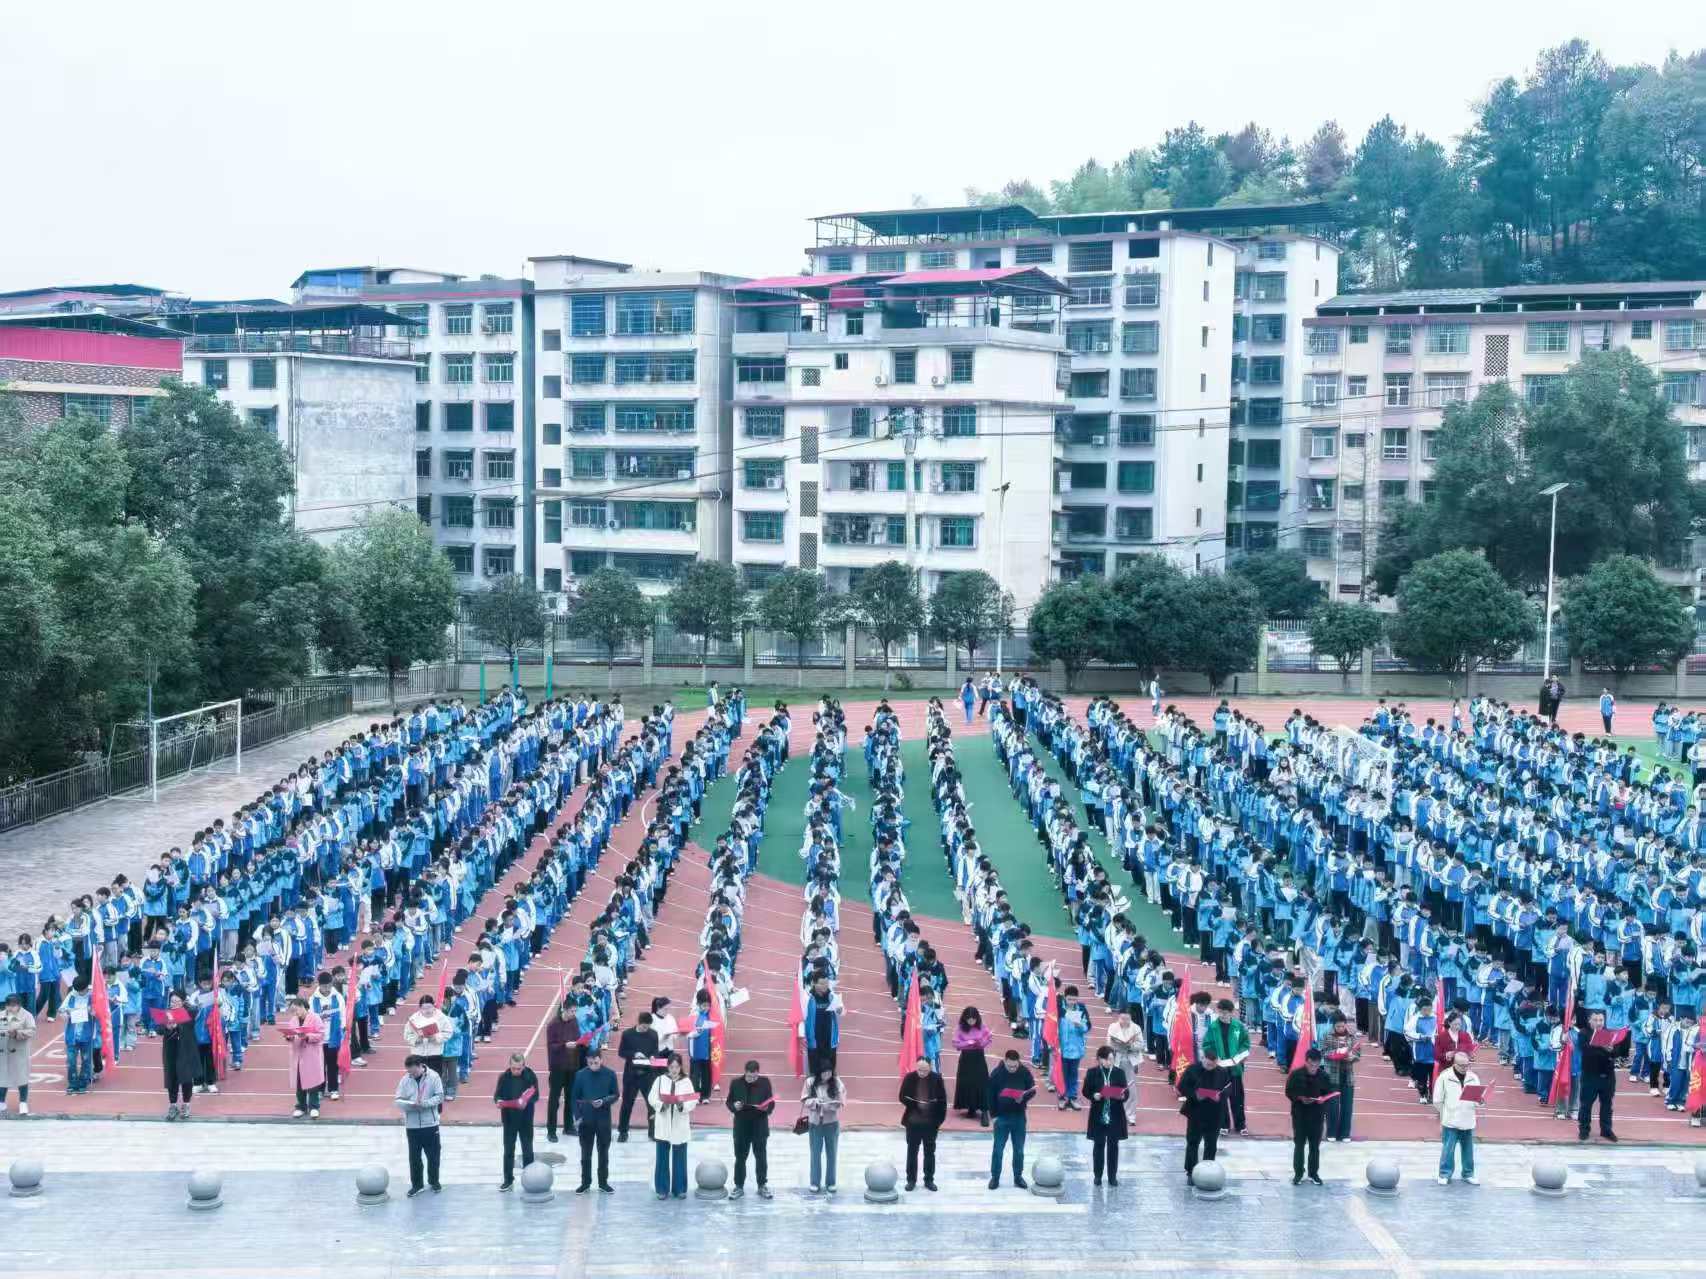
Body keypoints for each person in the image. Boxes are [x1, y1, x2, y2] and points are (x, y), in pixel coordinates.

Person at [1176, 1046, 1232, 1180]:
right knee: (1193, 1142)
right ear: (1202, 1059)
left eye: (1213, 1065)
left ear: (1216, 1062)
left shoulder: (1222, 1072)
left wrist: (1221, 1096)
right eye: (1207, 1064)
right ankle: (1190, 1172)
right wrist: (1195, 1095)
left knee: (1211, 1144)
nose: (1210, 1067)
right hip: (1196, 1112)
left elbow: (1228, 1088)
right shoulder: (1192, 1070)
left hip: (1215, 1113)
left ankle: (1208, 1172)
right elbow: (1182, 1087)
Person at [647, 1053, 697, 1200]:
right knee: (662, 1157)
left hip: (679, 1124)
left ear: (680, 1067)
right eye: (671, 1067)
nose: (674, 1070)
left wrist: (682, 1105)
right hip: (663, 1123)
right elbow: (652, 1097)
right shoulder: (660, 1080)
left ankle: (680, 1188)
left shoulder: (686, 1081)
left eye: (677, 1067)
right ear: (667, 1066)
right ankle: (662, 1189)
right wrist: (662, 1105)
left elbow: (692, 1101)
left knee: (680, 1157)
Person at [570, 1045, 618, 1194]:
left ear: (601, 1059)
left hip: (603, 1119)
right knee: (586, 1154)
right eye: (590, 1063)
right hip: (586, 1120)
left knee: (603, 1152)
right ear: (587, 1061)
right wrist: (577, 1117)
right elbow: (574, 1098)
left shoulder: (610, 1074)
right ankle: (585, 1183)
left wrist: (604, 1101)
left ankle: (603, 1182)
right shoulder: (580, 1075)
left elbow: (615, 1094)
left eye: (596, 1062)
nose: (593, 1065)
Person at [986, 1048, 1035, 1190]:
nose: (1013, 1068)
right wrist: (993, 1116)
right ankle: (995, 1177)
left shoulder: (1024, 1071)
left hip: (1019, 1116)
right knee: (998, 1150)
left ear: (1018, 1062)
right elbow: (990, 1095)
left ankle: (1018, 1176)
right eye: (1010, 1066)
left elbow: (1032, 1089)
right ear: (1005, 1061)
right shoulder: (997, 1074)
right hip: (1001, 1117)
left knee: (1019, 1150)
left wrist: (1024, 1097)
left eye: (1015, 1066)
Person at [395, 1054, 444, 1197]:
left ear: (420, 1066)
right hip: (412, 1125)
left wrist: (424, 1104)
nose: (411, 1074)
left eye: (413, 1071)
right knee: (414, 1158)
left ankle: (434, 1181)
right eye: (409, 1071)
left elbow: (440, 1096)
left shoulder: (434, 1077)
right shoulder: (405, 1079)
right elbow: (398, 1099)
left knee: (433, 1156)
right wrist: (408, 1106)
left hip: (430, 1124)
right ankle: (417, 1185)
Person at [726, 1059, 775, 1199]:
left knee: (761, 1157)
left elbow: (771, 1102)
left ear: (758, 1073)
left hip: (759, 1126)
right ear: (745, 1072)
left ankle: (762, 1185)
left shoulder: (765, 1082)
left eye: (755, 1077)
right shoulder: (736, 1083)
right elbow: (729, 1102)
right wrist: (734, 1106)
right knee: (740, 1157)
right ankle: (739, 1186)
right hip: (742, 1126)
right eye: (749, 1076)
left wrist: (767, 1108)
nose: (752, 1079)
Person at [1432, 1050, 1482, 1186]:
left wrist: (1480, 1101)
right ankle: (1444, 1174)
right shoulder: (1444, 1077)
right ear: (1454, 1064)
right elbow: (1437, 1100)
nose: (1465, 1068)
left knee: (1468, 1150)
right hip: (1451, 1120)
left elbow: (1477, 1099)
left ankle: (1468, 1173)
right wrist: (1446, 1113)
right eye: (1462, 1065)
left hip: (1468, 1119)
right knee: (1448, 1149)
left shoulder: (1473, 1077)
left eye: (1467, 1065)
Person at [1200, 998, 1250, 1134]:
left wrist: (1238, 1057)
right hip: (1220, 1068)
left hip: (1235, 1067)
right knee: (1221, 1097)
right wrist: (1215, 1058)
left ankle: (1241, 1125)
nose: (1222, 1015)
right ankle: (1224, 1124)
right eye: (1220, 1012)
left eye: (1225, 1013)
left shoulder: (1239, 1027)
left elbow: (1245, 1045)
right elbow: (1207, 1045)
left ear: (1231, 1013)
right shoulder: (1213, 1027)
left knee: (1237, 1097)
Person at [1285, 1048, 1334, 1185]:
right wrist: (1299, 1098)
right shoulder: (1296, 1075)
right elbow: (1288, 1092)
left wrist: (1322, 1099)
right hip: (1300, 1115)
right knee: (1299, 1145)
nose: (1314, 1068)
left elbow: (1328, 1093)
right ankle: (1298, 1174)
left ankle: (1313, 1173)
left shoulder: (1324, 1076)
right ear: (1306, 1062)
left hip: (1317, 1115)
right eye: (1311, 1065)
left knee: (1315, 1146)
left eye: (1317, 1065)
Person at [1083, 1045, 1129, 1187]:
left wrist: (1122, 1095)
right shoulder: (1092, 1073)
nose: (1111, 1062)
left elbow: (1126, 1092)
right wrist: (1093, 1095)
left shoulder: (1119, 1073)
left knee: (1113, 1146)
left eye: (1112, 1059)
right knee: (1099, 1145)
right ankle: (1097, 1175)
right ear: (1100, 1059)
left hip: (1115, 1114)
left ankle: (1112, 1176)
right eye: (1108, 1059)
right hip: (1099, 1114)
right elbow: (1085, 1091)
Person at [899, 1055, 947, 1192]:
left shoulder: (937, 1079)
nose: (922, 1073)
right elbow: (902, 1096)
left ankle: (929, 1179)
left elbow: (942, 1102)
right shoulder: (909, 1078)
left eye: (925, 1071)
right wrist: (914, 1103)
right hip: (913, 1123)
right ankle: (911, 1180)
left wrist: (938, 1122)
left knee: (930, 1152)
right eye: (919, 1070)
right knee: (912, 1152)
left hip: (930, 1124)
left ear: (930, 1068)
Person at [493, 1052, 540, 1191]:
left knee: (528, 1150)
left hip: (525, 1119)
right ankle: (508, 1180)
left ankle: (529, 1179)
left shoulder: (530, 1076)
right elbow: (497, 1096)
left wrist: (527, 1101)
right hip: (509, 1119)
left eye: (519, 1068)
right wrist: (498, 1101)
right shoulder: (504, 1077)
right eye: (513, 1068)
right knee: (508, 1150)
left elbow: (536, 1095)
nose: (516, 1071)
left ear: (524, 1066)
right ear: (510, 1065)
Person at [1577, 1009, 1625, 1143]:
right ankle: (1584, 1129)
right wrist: (1603, 1048)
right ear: (1589, 1021)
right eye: (1596, 1020)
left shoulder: (1610, 1033)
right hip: (1590, 1075)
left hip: (1608, 1075)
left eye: (1601, 1020)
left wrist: (1611, 1050)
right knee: (1586, 1104)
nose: (1599, 1023)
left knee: (1607, 1104)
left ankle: (1606, 1129)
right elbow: (1585, 1050)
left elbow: (1617, 1052)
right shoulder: (1583, 1033)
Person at [615, 1008, 660, 1143]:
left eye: (648, 1027)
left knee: (652, 1104)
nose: (646, 1029)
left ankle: (653, 1131)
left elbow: (655, 1051)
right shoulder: (627, 1034)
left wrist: (653, 1056)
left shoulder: (653, 1034)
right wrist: (634, 1054)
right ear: (639, 1023)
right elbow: (621, 1052)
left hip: (648, 1074)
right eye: (644, 1026)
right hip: (632, 1075)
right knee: (627, 1104)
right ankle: (623, 1131)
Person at [278, 995, 326, 1118]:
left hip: (311, 1055)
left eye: (296, 1010)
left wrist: (307, 1036)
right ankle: (301, 1106)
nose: (295, 1013)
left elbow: (320, 1035)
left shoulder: (315, 1018)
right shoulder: (293, 1020)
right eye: (293, 1011)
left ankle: (314, 1106)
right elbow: (291, 1034)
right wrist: (289, 1037)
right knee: (299, 1081)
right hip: (297, 1055)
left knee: (313, 1082)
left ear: (303, 1007)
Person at [801, 1066, 846, 1194]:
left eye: (829, 1073)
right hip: (815, 1123)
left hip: (831, 1123)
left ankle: (831, 1182)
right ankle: (815, 1182)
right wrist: (815, 1102)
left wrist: (830, 1104)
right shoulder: (810, 1082)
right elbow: (804, 1099)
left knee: (832, 1153)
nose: (827, 1075)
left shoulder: (836, 1082)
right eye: (824, 1073)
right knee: (815, 1153)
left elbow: (842, 1100)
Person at [158, 989, 202, 1120]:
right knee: (172, 1078)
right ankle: (173, 1105)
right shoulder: (166, 1013)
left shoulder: (189, 1012)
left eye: (177, 1001)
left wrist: (178, 1023)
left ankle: (186, 1105)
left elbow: (194, 1013)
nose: (174, 1003)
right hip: (171, 1050)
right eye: (172, 1001)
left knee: (186, 1077)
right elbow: (159, 1029)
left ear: (183, 1002)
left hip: (186, 1049)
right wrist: (167, 1027)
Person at [544, 1001, 584, 1143]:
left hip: (572, 1066)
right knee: (554, 1100)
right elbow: (551, 1046)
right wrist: (564, 1045)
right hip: (557, 1067)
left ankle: (568, 1126)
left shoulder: (574, 1022)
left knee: (570, 1098)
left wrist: (581, 1042)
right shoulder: (553, 1024)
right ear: (564, 1010)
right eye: (572, 1011)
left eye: (575, 1011)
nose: (574, 1014)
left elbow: (578, 1037)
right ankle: (551, 1130)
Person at [1322, 1014, 1362, 1142]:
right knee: (1332, 1106)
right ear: (1333, 1026)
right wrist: (1335, 1054)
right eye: (1338, 1026)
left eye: (1342, 1026)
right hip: (1332, 1075)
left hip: (1348, 1075)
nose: (1340, 1028)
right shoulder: (1327, 1035)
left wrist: (1352, 1057)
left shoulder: (1352, 1036)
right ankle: (1331, 1133)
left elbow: (1357, 1052)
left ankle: (1345, 1133)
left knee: (1347, 1106)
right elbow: (1323, 1051)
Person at [952, 1006, 993, 1125]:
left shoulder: (982, 1027)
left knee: (982, 1082)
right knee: (967, 1082)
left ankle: (985, 1111)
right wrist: (968, 1043)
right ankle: (971, 1106)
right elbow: (956, 1044)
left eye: (973, 1019)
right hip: (966, 1058)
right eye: (969, 1019)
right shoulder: (960, 1028)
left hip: (978, 1057)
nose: (971, 1022)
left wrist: (982, 1042)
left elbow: (988, 1039)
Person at [403, 995, 453, 1091]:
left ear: (434, 1006)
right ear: (420, 1008)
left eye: (429, 1007)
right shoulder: (414, 1018)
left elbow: (448, 1032)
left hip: (435, 1055)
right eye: (424, 1008)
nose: (427, 1010)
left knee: (435, 1084)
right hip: (418, 1055)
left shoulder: (441, 1017)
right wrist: (417, 1039)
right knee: (417, 1083)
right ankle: (419, 1104)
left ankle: (436, 1105)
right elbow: (407, 1035)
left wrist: (436, 1037)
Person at [0, 992, 36, 1115]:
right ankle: (1, 1102)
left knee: (22, 1077)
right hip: (3, 1052)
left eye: (13, 1005)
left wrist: (17, 1033)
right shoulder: (1, 1015)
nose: (10, 1008)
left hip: (19, 1051)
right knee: (2, 1077)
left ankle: (23, 1102)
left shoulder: (27, 1016)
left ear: (19, 1005)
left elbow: (32, 1031)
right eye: (8, 1005)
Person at [1106, 1009, 1144, 1125]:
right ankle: (1112, 1114)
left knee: (1131, 1089)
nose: (1125, 1021)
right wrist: (1117, 1045)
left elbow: (1141, 1044)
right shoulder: (1113, 1027)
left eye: (1127, 1019)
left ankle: (1130, 1116)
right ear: (1118, 1018)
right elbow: (1109, 1043)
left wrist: (1130, 1046)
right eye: (1122, 1019)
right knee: (1113, 1087)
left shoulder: (1136, 1028)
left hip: (1130, 1060)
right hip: (1116, 1060)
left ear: (1130, 1018)